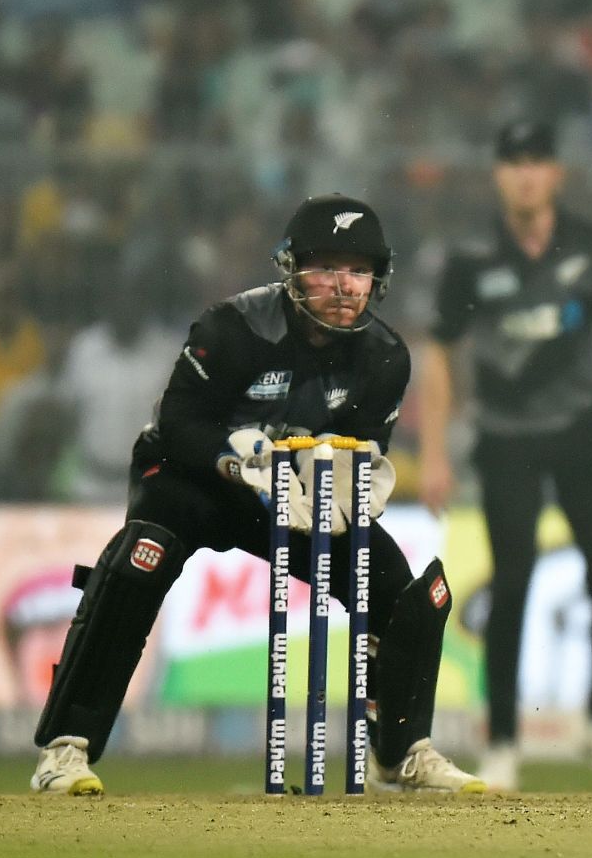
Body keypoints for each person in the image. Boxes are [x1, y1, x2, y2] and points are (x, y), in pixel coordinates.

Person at [30, 193, 484, 795]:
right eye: (327, 267)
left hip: (294, 498)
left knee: (405, 589)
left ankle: (400, 754)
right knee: (139, 559)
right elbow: (178, 425)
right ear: (292, 270)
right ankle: (66, 749)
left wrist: (350, 491)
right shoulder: (234, 327)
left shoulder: (385, 358)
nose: (344, 286)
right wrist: (233, 459)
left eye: (358, 270)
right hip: (193, 482)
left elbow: (362, 450)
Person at [418, 120, 592, 792]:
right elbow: (440, 350)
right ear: (498, 174)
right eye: (513, 161)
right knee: (512, 587)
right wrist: (434, 449)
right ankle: (503, 740)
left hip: (585, 431)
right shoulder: (470, 257)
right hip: (505, 438)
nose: (525, 173)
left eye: (537, 161)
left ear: (557, 173)